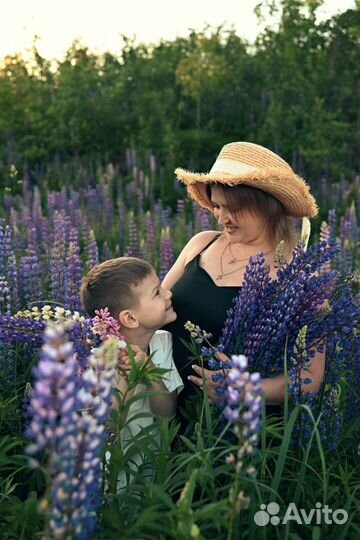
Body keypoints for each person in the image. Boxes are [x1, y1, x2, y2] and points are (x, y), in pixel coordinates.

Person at [162, 141, 325, 423]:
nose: (221, 218)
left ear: (267, 206)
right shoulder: (201, 244)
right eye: (216, 206)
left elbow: (308, 379)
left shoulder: (301, 278)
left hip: (241, 433)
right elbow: (156, 303)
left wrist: (244, 389)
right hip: (165, 414)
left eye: (232, 208)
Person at [80, 257, 183, 485]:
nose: (169, 294)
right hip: (111, 478)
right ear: (130, 318)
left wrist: (148, 370)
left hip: (152, 473)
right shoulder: (100, 358)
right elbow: (109, 427)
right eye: (157, 292)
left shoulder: (162, 343)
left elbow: (166, 414)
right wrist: (127, 378)